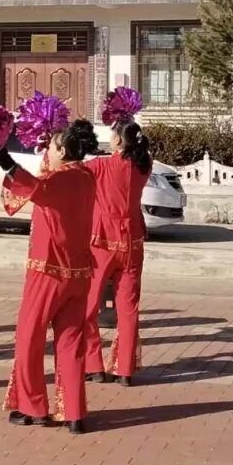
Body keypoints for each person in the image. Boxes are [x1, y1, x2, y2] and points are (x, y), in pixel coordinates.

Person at [0, 119, 99, 434]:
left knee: (29, 337)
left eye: (50, 146)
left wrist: (5, 161)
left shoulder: (60, 181)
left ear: (62, 150)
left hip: (48, 271)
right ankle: (74, 414)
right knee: (70, 342)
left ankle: (32, 406)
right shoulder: (86, 177)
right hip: (79, 274)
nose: (46, 151)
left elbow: (35, 188)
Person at [82, 121, 153, 386]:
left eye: (113, 133)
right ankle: (125, 369)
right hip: (132, 241)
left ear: (119, 140)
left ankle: (94, 365)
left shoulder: (101, 166)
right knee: (128, 309)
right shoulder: (144, 165)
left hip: (103, 242)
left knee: (88, 305)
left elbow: (70, 168)